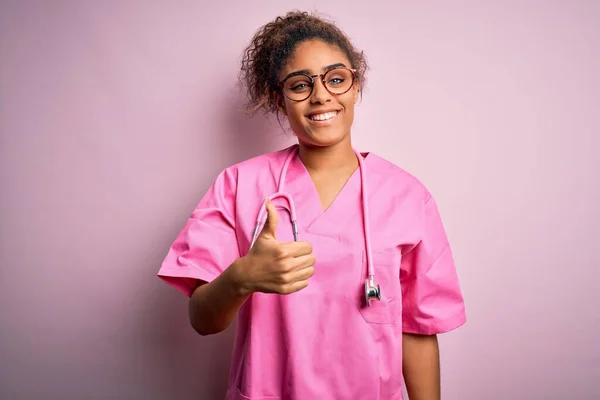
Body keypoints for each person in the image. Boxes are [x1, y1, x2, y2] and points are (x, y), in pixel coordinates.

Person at [157, 10, 466, 400]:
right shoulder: (239, 185)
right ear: (278, 99)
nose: (321, 95)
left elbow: (418, 331)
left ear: (356, 87)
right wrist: (241, 278)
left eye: (336, 79)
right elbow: (203, 320)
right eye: (300, 85)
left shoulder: (406, 196)